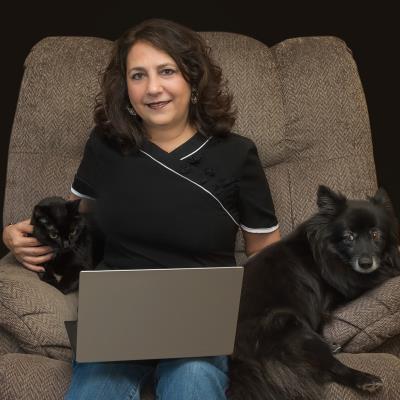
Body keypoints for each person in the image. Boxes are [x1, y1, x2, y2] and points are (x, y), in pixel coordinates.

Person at [2, 18, 281, 400]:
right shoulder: (104, 146)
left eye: (166, 71)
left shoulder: (237, 154)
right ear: (125, 88)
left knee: (194, 379)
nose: (153, 88)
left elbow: (266, 253)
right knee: (95, 389)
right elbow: (75, 219)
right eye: (138, 75)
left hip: (199, 323)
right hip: (118, 320)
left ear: (193, 79)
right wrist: (14, 236)